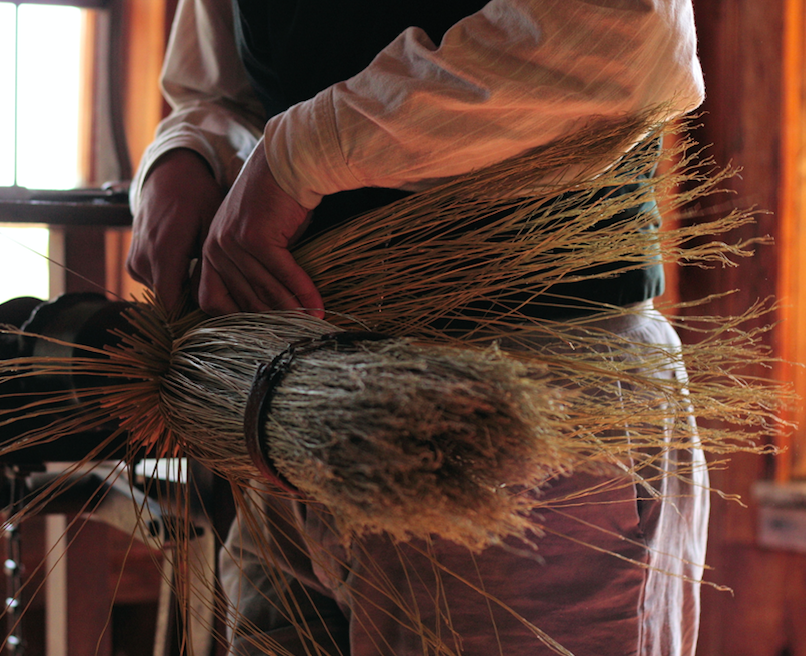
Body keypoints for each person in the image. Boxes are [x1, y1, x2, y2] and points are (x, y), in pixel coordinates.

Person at [127, 2, 709, 654]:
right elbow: (220, 84)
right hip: (295, 406)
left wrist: (297, 157)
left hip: (521, 402)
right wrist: (190, 151)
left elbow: (625, 34)